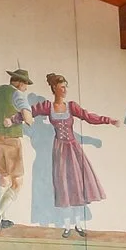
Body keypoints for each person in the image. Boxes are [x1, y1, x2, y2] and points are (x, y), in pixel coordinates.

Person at [30, 73, 118, 233]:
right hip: (60, 150)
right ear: (54, 88)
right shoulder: (48, 107)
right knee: (64, 187)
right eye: (62, 87)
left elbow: (88, 117)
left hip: (73, 150)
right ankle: (67, 226)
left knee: (77, 186)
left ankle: (78, 224)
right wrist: (13, 119)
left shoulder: (71, 106)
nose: (65, 90)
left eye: (66, 87)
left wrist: (108, 120)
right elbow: (29, 112)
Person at [0, 70, 35, 229]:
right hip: (12, 142)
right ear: (20, 82)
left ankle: (1, 219)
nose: (26, 88)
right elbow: (29, 120)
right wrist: (20, 119)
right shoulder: (18, 95)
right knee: (17, 183)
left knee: (4, 179)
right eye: (26, 84)